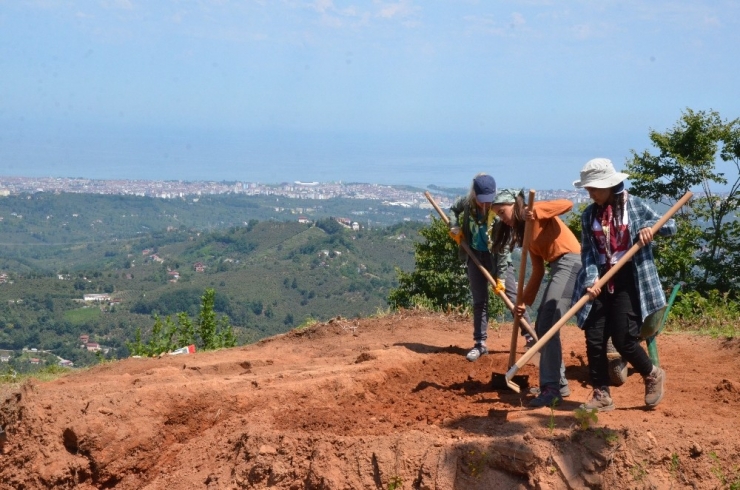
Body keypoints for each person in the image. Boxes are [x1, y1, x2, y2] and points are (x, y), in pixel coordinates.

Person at [572, 158, 676, 411]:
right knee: (594, 338)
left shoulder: (635, 206)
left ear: (609, 185)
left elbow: (670, 226)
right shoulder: (589, 215)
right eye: (588, 189)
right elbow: (588, 253)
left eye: (594, 188)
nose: (591, 193)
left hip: (630, 279)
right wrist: (591, 280)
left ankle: (652, 373)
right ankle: (601, 395)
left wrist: (649, 229)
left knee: (623, 339)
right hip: (600, 280)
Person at [491, 188, 581, 407]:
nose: (502, 219)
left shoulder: (536, 211)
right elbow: (538, 272)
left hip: (571, 262)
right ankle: (557, 384)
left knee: (548, 323)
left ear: (514, 205)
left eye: (502, 213)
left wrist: (537, 211)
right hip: (557, 267)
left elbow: (567, 204)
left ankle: (551, 388)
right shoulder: (527, 234)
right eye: (498, 216)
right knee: (543, 325)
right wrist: (522, 302)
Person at [449, 174, 525, 362]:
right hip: (474, 255)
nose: (485, 205)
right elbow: (453, 210)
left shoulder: (498, 212)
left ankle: (531, 338)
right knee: (479, 301)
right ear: (474, 194)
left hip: (496, 257)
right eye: (481, 200)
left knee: (513, 299)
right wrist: (455, 227)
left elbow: (503, 247)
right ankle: (480, 344)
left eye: (488, 201)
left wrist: (500, 276)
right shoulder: (467, 203)